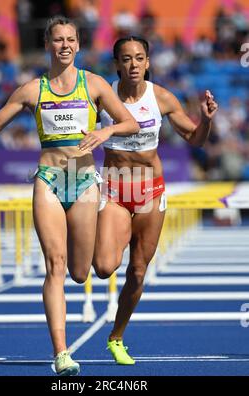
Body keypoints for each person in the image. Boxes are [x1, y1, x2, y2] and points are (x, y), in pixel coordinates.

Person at [0, 17, 139, 376]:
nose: (64, 45)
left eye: (70, 39)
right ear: (49, 45)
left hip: (83, 181)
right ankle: (61, 353)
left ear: (78, 45)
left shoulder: (94, 84)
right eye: (57, 39)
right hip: (49, 180)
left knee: (81, 272)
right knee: (55, 265)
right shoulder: (32, 89)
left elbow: (130, 122)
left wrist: (105, 131)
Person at [93, 36, 218, 364]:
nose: (133, 65)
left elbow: (195, 140)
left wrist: (205, 120)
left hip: (150, 191)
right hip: (116, 190)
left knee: (137, 271)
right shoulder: (101, 97)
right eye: (126, 59)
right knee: (105, 266)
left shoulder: (160, 97)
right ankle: (95, 233)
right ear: (117, 64)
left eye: (139, 58)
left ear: (148, 62)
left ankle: (116, 337)